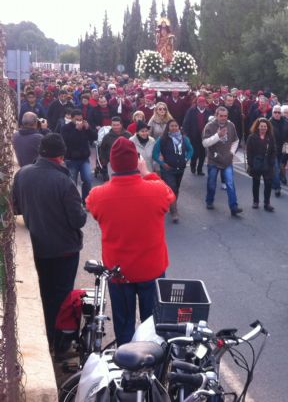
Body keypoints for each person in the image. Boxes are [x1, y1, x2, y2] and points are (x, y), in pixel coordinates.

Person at [86, 137, 175, 346]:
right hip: (151, 269)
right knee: (151, 324)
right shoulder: (157, 190)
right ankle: (150, 363)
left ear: (112, 164)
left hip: (119, 272)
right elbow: (169, 196)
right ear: (137, 161)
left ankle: (126, 363)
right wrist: (147, 174)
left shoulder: (98, 195)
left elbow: (93, 209)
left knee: (124, 322)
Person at [12, 133, 87, 345]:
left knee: (43, 292)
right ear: (60, 156)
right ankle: (58, 342)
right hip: (64, 250)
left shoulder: (23, 174)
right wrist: (83, 209)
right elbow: (77, 220)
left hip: (36, 246)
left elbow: (15, 207)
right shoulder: (64, 181)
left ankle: (43, 336)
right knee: (62, 297)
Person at [202, 106, 243, 217]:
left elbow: (236, 140)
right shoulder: (209, 126)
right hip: (213, 160)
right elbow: (205, 143)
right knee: (212, 183)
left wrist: (232, 153)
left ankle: (233, 207)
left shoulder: (231, 125)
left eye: (225, 116)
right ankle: (209, 201)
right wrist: (218, 136)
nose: (223, 118)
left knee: (230, 183)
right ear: (216, 115)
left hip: (227, 160)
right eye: (221, 116)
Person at [153, 120, 193, 223]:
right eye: (172, 126)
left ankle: (171, 203)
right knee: (172, 187)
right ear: (168, 127)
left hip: (180, 168)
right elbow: (155, 154)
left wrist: (186, 159)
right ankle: (174, 211)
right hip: (168, 169)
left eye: (176, 126)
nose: (174, 128)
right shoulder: (162, 139)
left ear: (179, 127)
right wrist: (162, 164)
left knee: (176, 188)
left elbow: (191, 150)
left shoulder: (184, 139)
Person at [61, 110, 98, 205]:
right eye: (76, 119)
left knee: (88, 180)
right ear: (72, 119)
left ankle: (85, 201)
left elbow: (94, 137)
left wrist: (88, 128)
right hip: (71, 159)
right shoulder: (66, 128)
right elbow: (67, 141)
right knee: (72, 183)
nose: (79, 121)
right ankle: (73, 203)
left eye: (81, 119)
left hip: (84, 158)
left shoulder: (85, 127)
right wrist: (76, 130)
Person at [246, 118, 277, 211]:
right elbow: (249, 151)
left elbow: (274, 150)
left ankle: (267, 203)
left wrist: (272, 161)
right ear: (258, 127)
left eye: (265, 126)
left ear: (267, 128)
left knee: (268, 184)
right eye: (261, 126)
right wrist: (250, 163)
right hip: (256, 163)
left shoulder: (270, 137)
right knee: (256, 183)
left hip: (267, 164)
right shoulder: (252, 137)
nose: (263, 128)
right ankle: (256, 201)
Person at [183, 96, 213, 175]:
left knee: (203, 154)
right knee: (195, 153)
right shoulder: (191, 111)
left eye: (203, 102)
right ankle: (193, 166)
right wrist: (185, 133)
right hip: (193, 136)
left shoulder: (208, 112)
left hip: (204, 136)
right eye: (200, 102)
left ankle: (200, 169)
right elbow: (186, 122)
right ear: (197, 103)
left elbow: (212, 123)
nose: (202, 104)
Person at [270, 105, 288, 197]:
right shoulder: (268, 122)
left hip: (282, 149)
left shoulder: (286, 123)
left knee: (279, 167)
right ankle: (278, 187)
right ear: (272, 113)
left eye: (279, 112)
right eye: (275, 112)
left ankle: (275, 182)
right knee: (275, 168)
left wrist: (286, 152)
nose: (277, 114)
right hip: (272, 150)